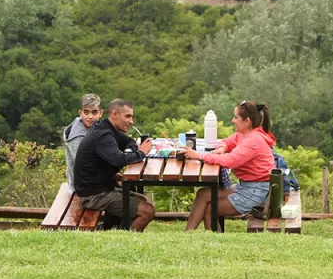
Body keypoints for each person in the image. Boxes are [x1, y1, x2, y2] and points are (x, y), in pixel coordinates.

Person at [179, 100, 275, 231]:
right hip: (245, 186)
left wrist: (199, 155)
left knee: (211, 209)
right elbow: (228, 141)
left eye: (236, 117)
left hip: (255, 191)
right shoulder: (244, 133)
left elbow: (230, 161)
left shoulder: (253, 140)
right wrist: (222, 148)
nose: (232, 120)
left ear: (247, 121)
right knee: (203, 194)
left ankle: (215, 244)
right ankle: (187, 234)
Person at [73, 98, 156, 231]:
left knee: (143, 199)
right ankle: (124, 243)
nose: (131, 121)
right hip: (93, 195)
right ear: (115, 114)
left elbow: (129, 141)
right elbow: (119, 160)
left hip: (103, 186)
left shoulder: (108, 128)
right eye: (127, 116)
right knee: (147, 211)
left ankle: (116, 229)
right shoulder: (103, 135)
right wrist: (140, 153)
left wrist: (130, 151)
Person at [62, 93, 102, 185]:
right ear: (80, 113)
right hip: (83, 185)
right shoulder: (77, 137)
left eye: (94, 112)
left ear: (100, 113)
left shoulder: (97, 127)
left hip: (95, 179)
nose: (90, 117)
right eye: (86, 112)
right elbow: (84, 166)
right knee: (130, 198)